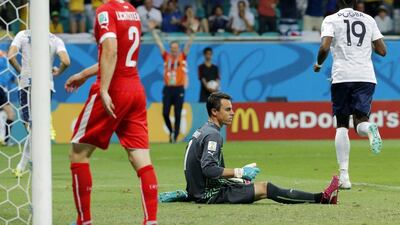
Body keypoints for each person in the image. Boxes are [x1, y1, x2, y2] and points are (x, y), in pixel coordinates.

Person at [65, 1, 158, 224]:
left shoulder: (105, 11)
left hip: (114, 88)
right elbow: (118, 56)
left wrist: (104, 89)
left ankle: (84, 221)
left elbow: (111, 51)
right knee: (141, 158)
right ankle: (151, 221)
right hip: (136, 88)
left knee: (78, 153)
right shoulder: (132, 12)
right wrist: (85, 73)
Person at [159, 92, 339, 205]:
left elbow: (197, 165)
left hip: (201, 191)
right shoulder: (213, 135)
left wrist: (190, 193)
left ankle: (320, 197)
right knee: (266, 188)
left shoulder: (202, 131)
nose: (233, 113)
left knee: (247, 184)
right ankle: (321, 198)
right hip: (211, 194)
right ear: (215, 112)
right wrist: (239, 171)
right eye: (228, 109)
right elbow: (208, 169)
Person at [314, 0, 387, 190]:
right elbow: (382, 50)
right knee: (361, 122)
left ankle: (344, 177)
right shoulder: (369, 19)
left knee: (342, 126)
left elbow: (324, 47)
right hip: (366, 76)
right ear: (355, 2)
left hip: (342, 76)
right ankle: (370, 128)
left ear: (338, 2)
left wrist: (319, 64)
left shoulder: (331, 19)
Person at [8, 29, 70, 177]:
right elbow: (66, 61)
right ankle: (22, 166)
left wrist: (21, 70)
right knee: (34, 130)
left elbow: (11, 56)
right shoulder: (55, 39)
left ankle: (22, 166)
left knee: (31, 127)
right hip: (46, 86)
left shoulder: (22, 34)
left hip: (27, 84)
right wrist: (58, 72)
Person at [152, 28, 193, 143]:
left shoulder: (182, 57)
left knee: (177, 113)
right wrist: (154, 32)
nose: (174, 50)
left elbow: (188, 45)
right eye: (172, 48)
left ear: (178, 49)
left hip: (179, 88)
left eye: (176, 48)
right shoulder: (166, 57)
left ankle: (175, 136)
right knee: (165, 112)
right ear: (170, 49)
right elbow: (159, 44)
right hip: (168, 88)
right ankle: (171, 130)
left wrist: (193, 33)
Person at [0, 50, 16, 146]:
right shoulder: (4, 59)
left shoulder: (10, 66)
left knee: (6, 114)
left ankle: (4, 139)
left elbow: (14, 78)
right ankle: (6, 140)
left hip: (3, 90)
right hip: (0, 88)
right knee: (10, 113)